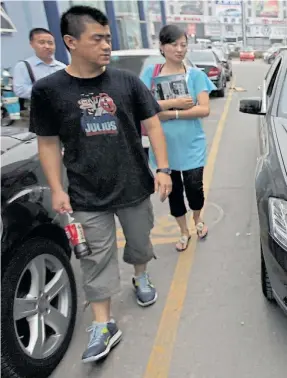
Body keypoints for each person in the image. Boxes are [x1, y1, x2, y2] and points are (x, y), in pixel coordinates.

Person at [29, 6, 172, 363]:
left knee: (140, 243)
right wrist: (58, 189)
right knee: (94, 258)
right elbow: (47, 142)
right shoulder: (49, 90)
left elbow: (152, 124)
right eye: (98, 39)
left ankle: (141, 275)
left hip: (134, 185)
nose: (107, 45)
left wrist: (163, 168)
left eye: (108, 38)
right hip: (84, 193)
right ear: (71, 42)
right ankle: (104, 324)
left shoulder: (126, 82)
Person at [140, 24, 216, 251]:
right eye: (174, 44)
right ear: (162, 47)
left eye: (183, 45)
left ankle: (197, 219)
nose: (180, 49)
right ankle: (183, 231)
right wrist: (175, 104)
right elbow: (144, 106)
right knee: (173, 192)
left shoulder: (195, 76)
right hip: (164, 147)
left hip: (192, 144)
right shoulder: (150, 75)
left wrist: (168, 113)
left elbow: (204, 109)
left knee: (194, 187)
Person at [13, 28, 66, 110]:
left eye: (50, 43)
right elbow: (20, 90)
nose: (47, 46)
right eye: (42, 42)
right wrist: (46, 92)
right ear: (32, 44)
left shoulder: (62, 67)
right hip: (39, 112)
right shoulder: (23, 66)